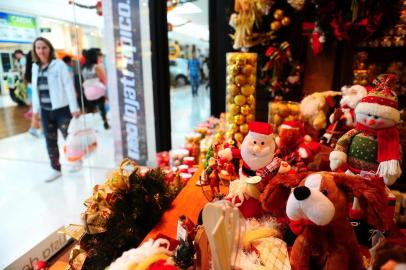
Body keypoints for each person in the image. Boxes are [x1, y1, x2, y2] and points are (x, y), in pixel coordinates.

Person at [31, 37, 81, 182]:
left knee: (70, 137)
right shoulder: (35, 67)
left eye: (44, 47)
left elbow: (68, 86)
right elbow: (35, 90)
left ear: (50, 49)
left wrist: (74, 107)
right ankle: (55, 168)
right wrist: (35, 110)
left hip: (62, 109)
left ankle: (77, 160)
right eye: (38, 48)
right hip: (45, 111)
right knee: (50, 140)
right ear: (35, 50)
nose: (41, 51)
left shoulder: (58, 65)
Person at [82, 48, 110, 129]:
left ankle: (89, 126)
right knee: (102, 108)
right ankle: (105, 123)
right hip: (98, 90)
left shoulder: (84, 68)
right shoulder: (97, 67)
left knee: (90, 109)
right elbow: (103, 79)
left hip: (88, 92)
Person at [24, 51, 42, 137]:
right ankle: (41, 130)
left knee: (36, 110)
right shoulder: (36, 67)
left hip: (30, 90)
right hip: (35, 91)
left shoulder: (28, 69)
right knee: (40, 111)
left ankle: (33, 128)